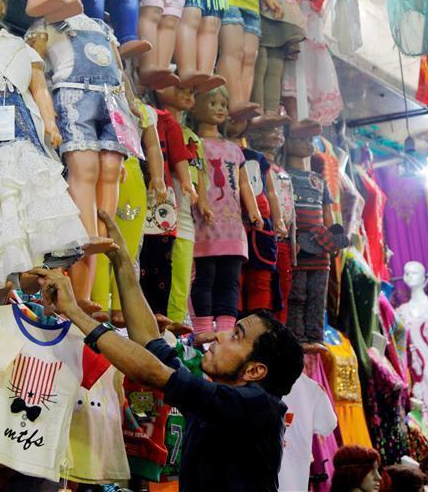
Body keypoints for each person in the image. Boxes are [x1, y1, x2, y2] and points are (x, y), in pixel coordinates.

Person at [31, 209, 304, 492]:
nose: (219, 336)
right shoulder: (219, 402)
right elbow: (151, 341)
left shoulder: (257, 407)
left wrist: (74, 311)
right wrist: (122, 260)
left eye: (236, 336)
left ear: (255, 370)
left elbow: (153, 372)